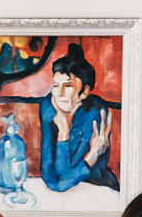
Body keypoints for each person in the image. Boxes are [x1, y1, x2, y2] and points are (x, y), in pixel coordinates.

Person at [40, 43, 120, 193]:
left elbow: (64, 179)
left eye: (68, 86)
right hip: (68, 190)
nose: (59, 94)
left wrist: (93, 156)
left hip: (96, 185)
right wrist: (64, 133)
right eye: (56, 86)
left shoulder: (95, 111)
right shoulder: (48, 108)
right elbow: (54, 180)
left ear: (84, 92)